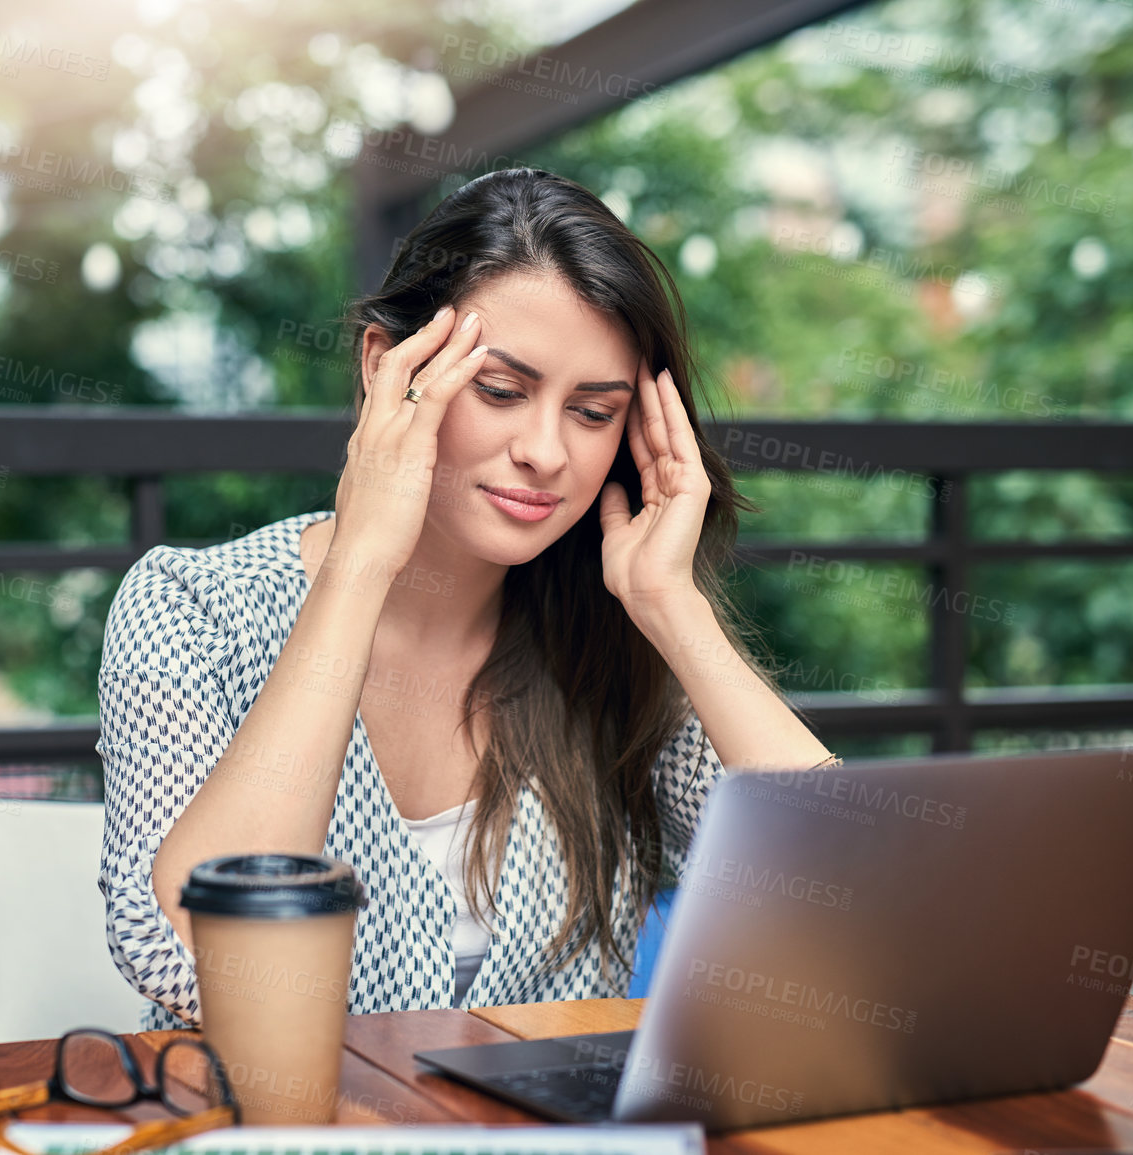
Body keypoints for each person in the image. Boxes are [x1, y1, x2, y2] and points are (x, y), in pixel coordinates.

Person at [96, 167, 836, 1031]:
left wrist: (672, 606)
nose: (545, 452)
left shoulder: (606, 640)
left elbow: (841, 904)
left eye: (594, 412)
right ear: (385, 366)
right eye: (500, 391)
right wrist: (358, 568)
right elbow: (191, 963)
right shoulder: (192, 610)